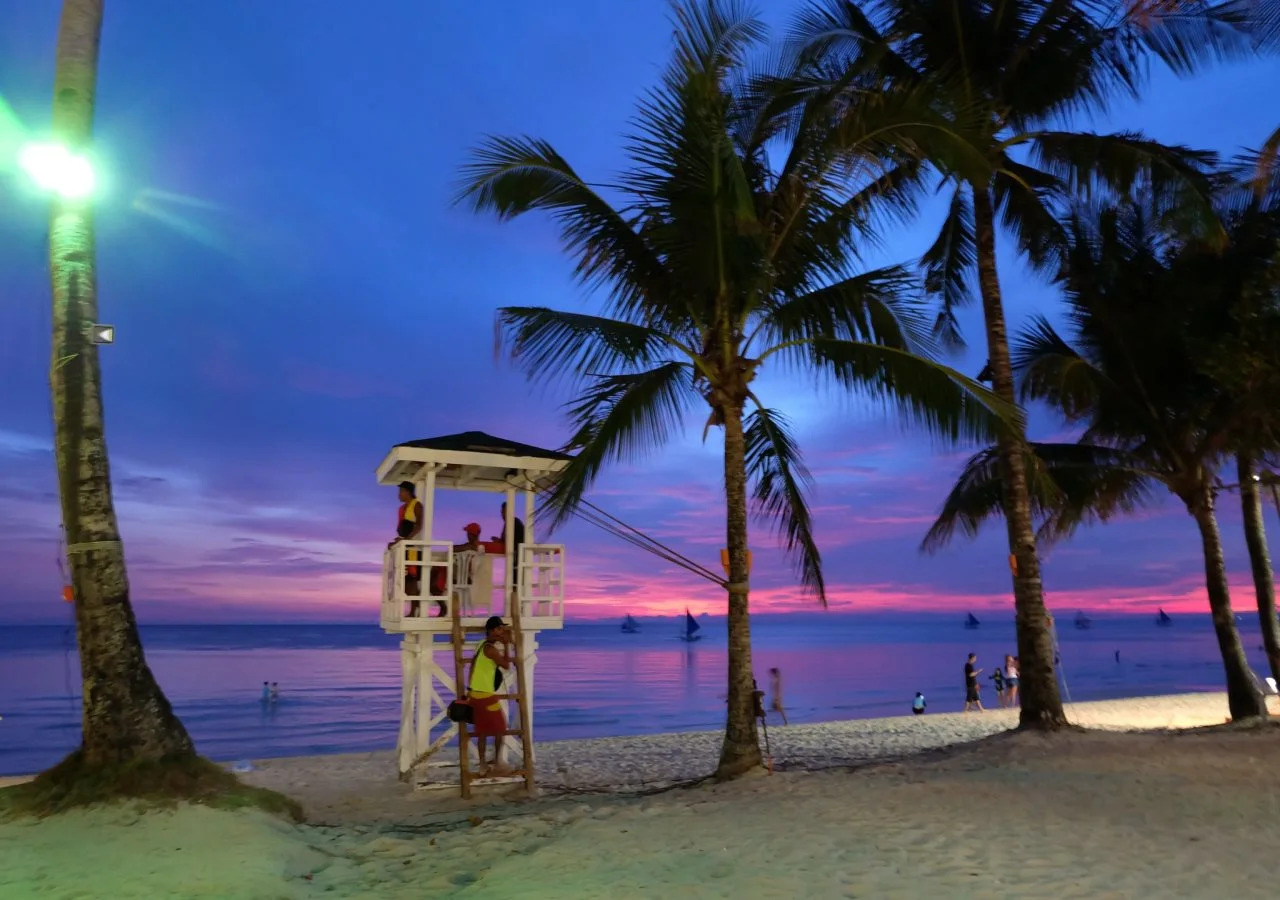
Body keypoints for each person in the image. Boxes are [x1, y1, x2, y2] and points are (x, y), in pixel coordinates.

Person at [468, 615, 514, 777]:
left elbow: (474, 666)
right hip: (486, 696)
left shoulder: (481, 645)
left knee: (482, 732)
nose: (502, 631)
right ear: (493, 630)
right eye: (500, 629)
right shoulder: (491, 650)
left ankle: (482, 765)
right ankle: (498, 762)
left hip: (475, 693)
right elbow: (506, 665)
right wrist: (506, 645)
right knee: (501, 728)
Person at [390, 481, 427, 615]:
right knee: (403, 579)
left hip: (413, 548)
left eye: (401, 492)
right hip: (405, 547)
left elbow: (419, 526)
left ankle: (413, 610)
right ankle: (414, 607)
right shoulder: (402, 508)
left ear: (408, 492)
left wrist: (407, 539)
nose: (399, 495)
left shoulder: (417, 505)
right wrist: (399, 539)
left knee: (411, 579)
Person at [492, 502, 526, 603]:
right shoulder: (509, 524)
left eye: (504, 512)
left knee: (516, 585)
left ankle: (516, 606)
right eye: (502, 512)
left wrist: (501, 542)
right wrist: (499, 541)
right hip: (514, 559)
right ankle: (515, 606)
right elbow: (506, 541)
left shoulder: (515, 523)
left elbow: (513, 541)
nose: (502, 515)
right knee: (513, 585)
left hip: (518, 559)